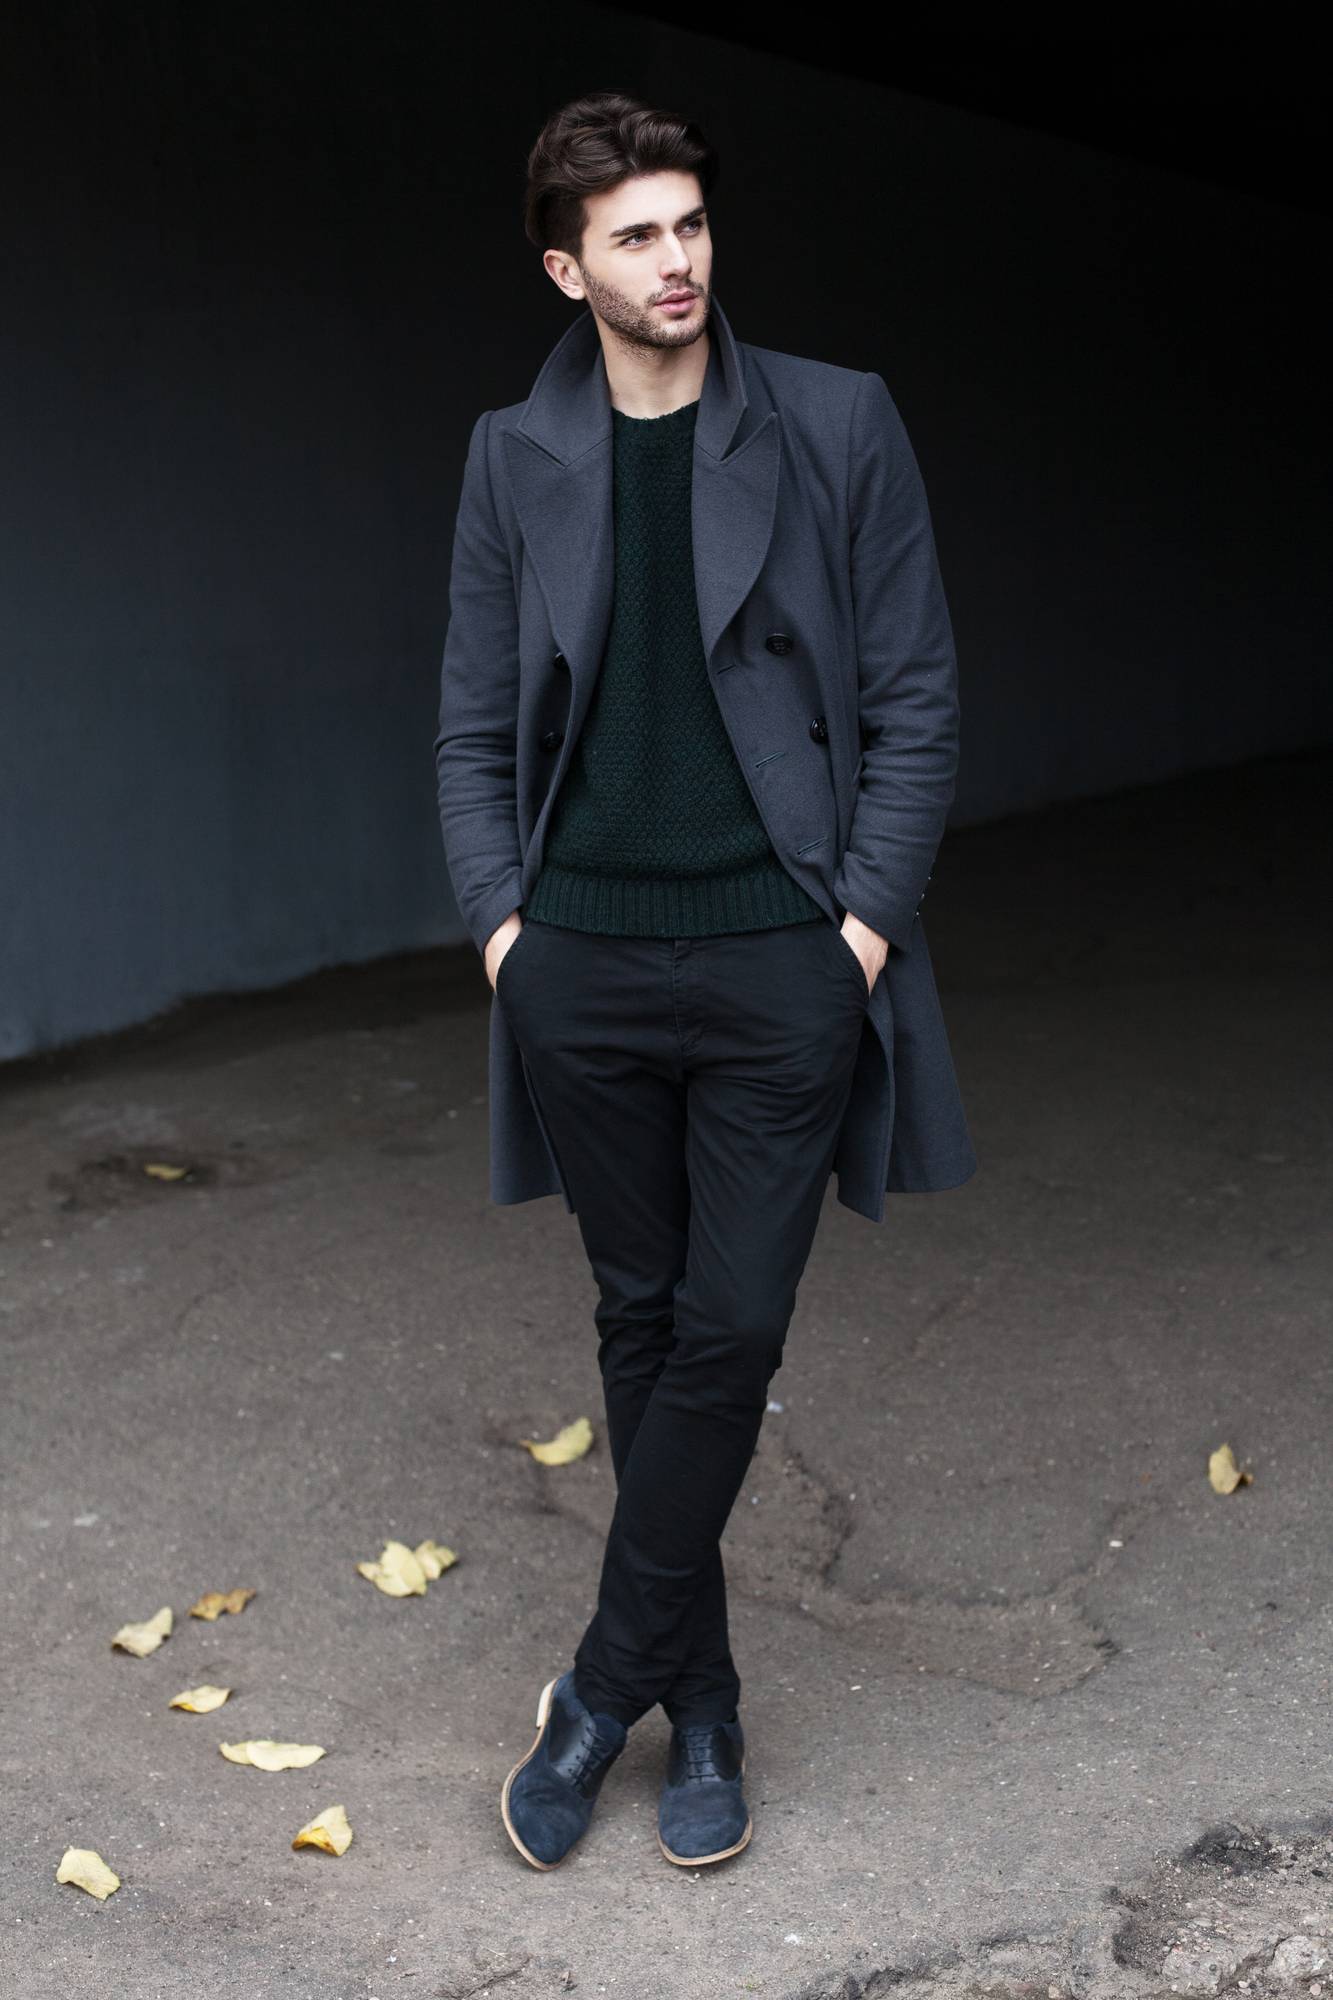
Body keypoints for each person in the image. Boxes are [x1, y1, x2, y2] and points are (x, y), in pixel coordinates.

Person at [434, 89, 976, 1872]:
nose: (675, 262)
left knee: (730, 1327)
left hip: (780, 958)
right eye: (634, 237)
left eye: (689, 225)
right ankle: (710, 1703)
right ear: (564, 269)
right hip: (580, 965)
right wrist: (507, 935)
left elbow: (914, 696)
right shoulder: (514, 456)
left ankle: (602, 1690)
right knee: (645, 1324)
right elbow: (469, 726)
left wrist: (857, 934)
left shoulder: (833, 421)